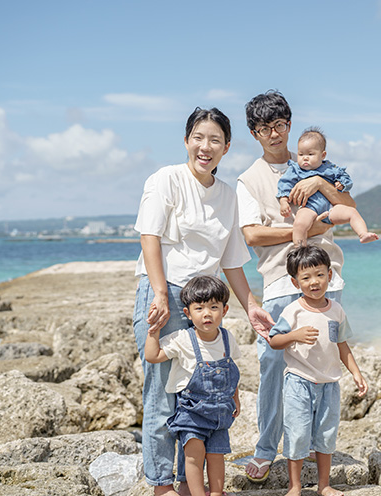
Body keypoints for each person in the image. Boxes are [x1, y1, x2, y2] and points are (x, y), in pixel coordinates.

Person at [133, 107, 273, 496]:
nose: (205, 146)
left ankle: (185, 483)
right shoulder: (166, 179)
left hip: (204, 302)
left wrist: (252, 307)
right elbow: (150, 237)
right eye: (198, 137)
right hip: (165, 293)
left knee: (197, 397)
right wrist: (161, 293)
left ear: (226, 147)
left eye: (214, 140)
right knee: (164, 394)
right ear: (186, 141)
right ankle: (162, 485)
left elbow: (231, 261)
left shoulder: (227, 196)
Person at [237, 90, 352, 482]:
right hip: (278, 282)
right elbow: (252, 235)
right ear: (254, 133)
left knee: (323, 363)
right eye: (265, 128)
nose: (275, 134)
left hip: (327, 275)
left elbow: (349, 206)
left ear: (289, 123)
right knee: (272, 364)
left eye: (280, 125)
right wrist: (307, 228)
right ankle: (267, 449)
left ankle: (317, 453)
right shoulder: (249, 179)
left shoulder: (316, 160)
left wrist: (321, 180)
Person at [269, 246, 368, 496]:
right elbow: (274, 340)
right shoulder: (294, 310)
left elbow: (342, 344)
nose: (314, 282)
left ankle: (324, 485)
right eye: (306, 277)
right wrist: (294, 335)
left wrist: (356, 373)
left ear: (330, 275)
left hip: (329, 383)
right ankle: (295, 486)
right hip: (298, 381)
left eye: (319, 275)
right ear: (295, 282)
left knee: (326, 435)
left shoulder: (336, 310)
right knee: (298, 433)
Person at [144, 275, 240, 496]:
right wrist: (153, 330)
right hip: (192, 414)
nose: (207, 313)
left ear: (224, 311)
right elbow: (153, 355)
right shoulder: (183, 339)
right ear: (187, 313)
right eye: (199, 308)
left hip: (220, 413)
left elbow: (233, 373)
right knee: (194, 456)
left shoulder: (227, 338)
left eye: (214, 307)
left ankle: (216, 492)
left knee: (217, 455)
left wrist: (236, 398)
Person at [278, 127, 378, 246]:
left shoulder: (330, 168)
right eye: (301, 154)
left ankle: (363, 234)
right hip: (309, 207)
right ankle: (300, 249)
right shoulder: (295, 170)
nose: (305, 157)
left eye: (310, 154)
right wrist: (284, 201)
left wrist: (342, 184)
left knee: (352, 212)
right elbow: (285, 184)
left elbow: (345, 177)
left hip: (331, 208)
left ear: (323, 155)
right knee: (299, 225)